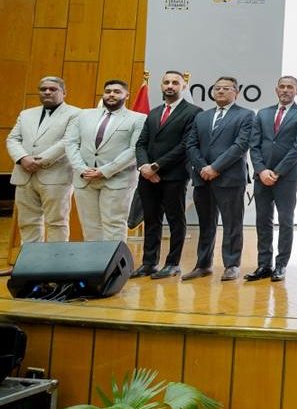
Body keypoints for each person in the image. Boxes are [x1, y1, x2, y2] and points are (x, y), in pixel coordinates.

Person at [183, 76, 254, 281]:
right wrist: (203, 167)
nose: (220, 91)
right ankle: (203, 264)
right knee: (206, 224)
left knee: (232, 224)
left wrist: (215, 167)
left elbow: (240, 146)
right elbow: (191, 144)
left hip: (230, 178)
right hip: (202, 178)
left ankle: (232, 265)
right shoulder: (201, 117)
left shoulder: (246, 115)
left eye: (226, 88)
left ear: (236, 92)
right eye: (217, 88)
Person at [135, 71, 201, 279]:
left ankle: (173, 263)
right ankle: (149, 263)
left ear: (183, 86)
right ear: (161, 86)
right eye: (166, 82)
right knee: (151, 219)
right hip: (147, 176)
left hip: (174, 176)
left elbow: (185, 145)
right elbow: (141, 143)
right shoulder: (154, 112)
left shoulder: (193, 112)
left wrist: (156, 166)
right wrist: (144, 167)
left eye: (175, 82)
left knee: (175, 221)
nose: (170, 86)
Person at [247, 76, 297, 282]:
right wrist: (261, 170)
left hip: (286, 178)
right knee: (262, 221)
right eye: (282, 87)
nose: (285, 90)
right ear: (276, 90)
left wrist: (277, 172)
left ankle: (281, 265)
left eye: (290, 87)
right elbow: (254, 145)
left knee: (285, 221)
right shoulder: (263, 113)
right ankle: (264, 265)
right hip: (262, 176)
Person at [64, 80, 145, 242]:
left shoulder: (139, 119)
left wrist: (104, 171)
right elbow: (71, 143)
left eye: (117, 92)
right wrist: (81, 169)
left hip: (117, 179)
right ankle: (94, 259)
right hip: (85, 178)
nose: (111, 95)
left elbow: (134, 149)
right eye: (108, 91)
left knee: (114, 225)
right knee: (90, 226)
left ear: (126, 95)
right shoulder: (83, 115)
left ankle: (114, 259)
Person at [6, 77, 78, 247]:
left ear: (64, 92)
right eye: (43, 89)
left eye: (53, 89)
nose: (47, 92)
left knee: (56, 223)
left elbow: (67, 141)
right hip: (24, 175)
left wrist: (38, 161)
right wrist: (22, 158)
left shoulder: (75, 114)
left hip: (56, 176)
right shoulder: (26, 114)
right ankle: (31, 261)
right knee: (27, 223)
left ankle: (55, 261)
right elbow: (12, 139)